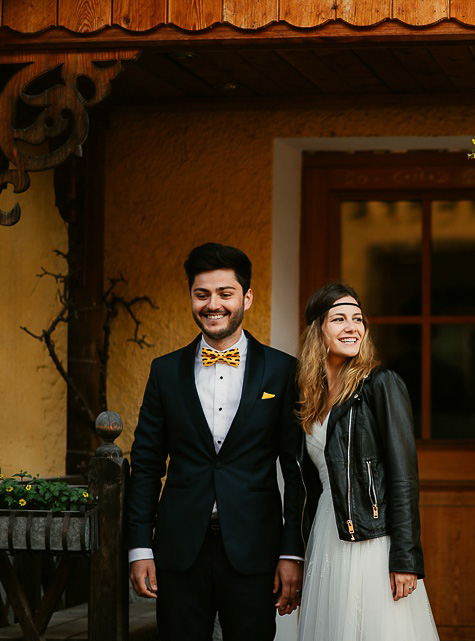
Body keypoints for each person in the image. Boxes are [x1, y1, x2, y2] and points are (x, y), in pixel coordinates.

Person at [125, 243, 305, 641]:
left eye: (225, 293)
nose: (213, 305)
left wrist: (291, 552)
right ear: (191, 296)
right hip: (178, 549)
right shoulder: (164, 371)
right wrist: (140, 547)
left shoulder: (282, 370)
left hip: (255, 550)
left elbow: (296, 472)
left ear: (247, 297)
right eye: (202, 294)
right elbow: (147, 465)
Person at [296, 283, 439, 641]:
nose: (352, 327)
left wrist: (406, 558)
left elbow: (403, 476)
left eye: (358, 319)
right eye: (339, 319)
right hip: (327, 531)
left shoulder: (380, 384)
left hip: (372, 537)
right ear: (317, 330)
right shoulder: (307, 397)